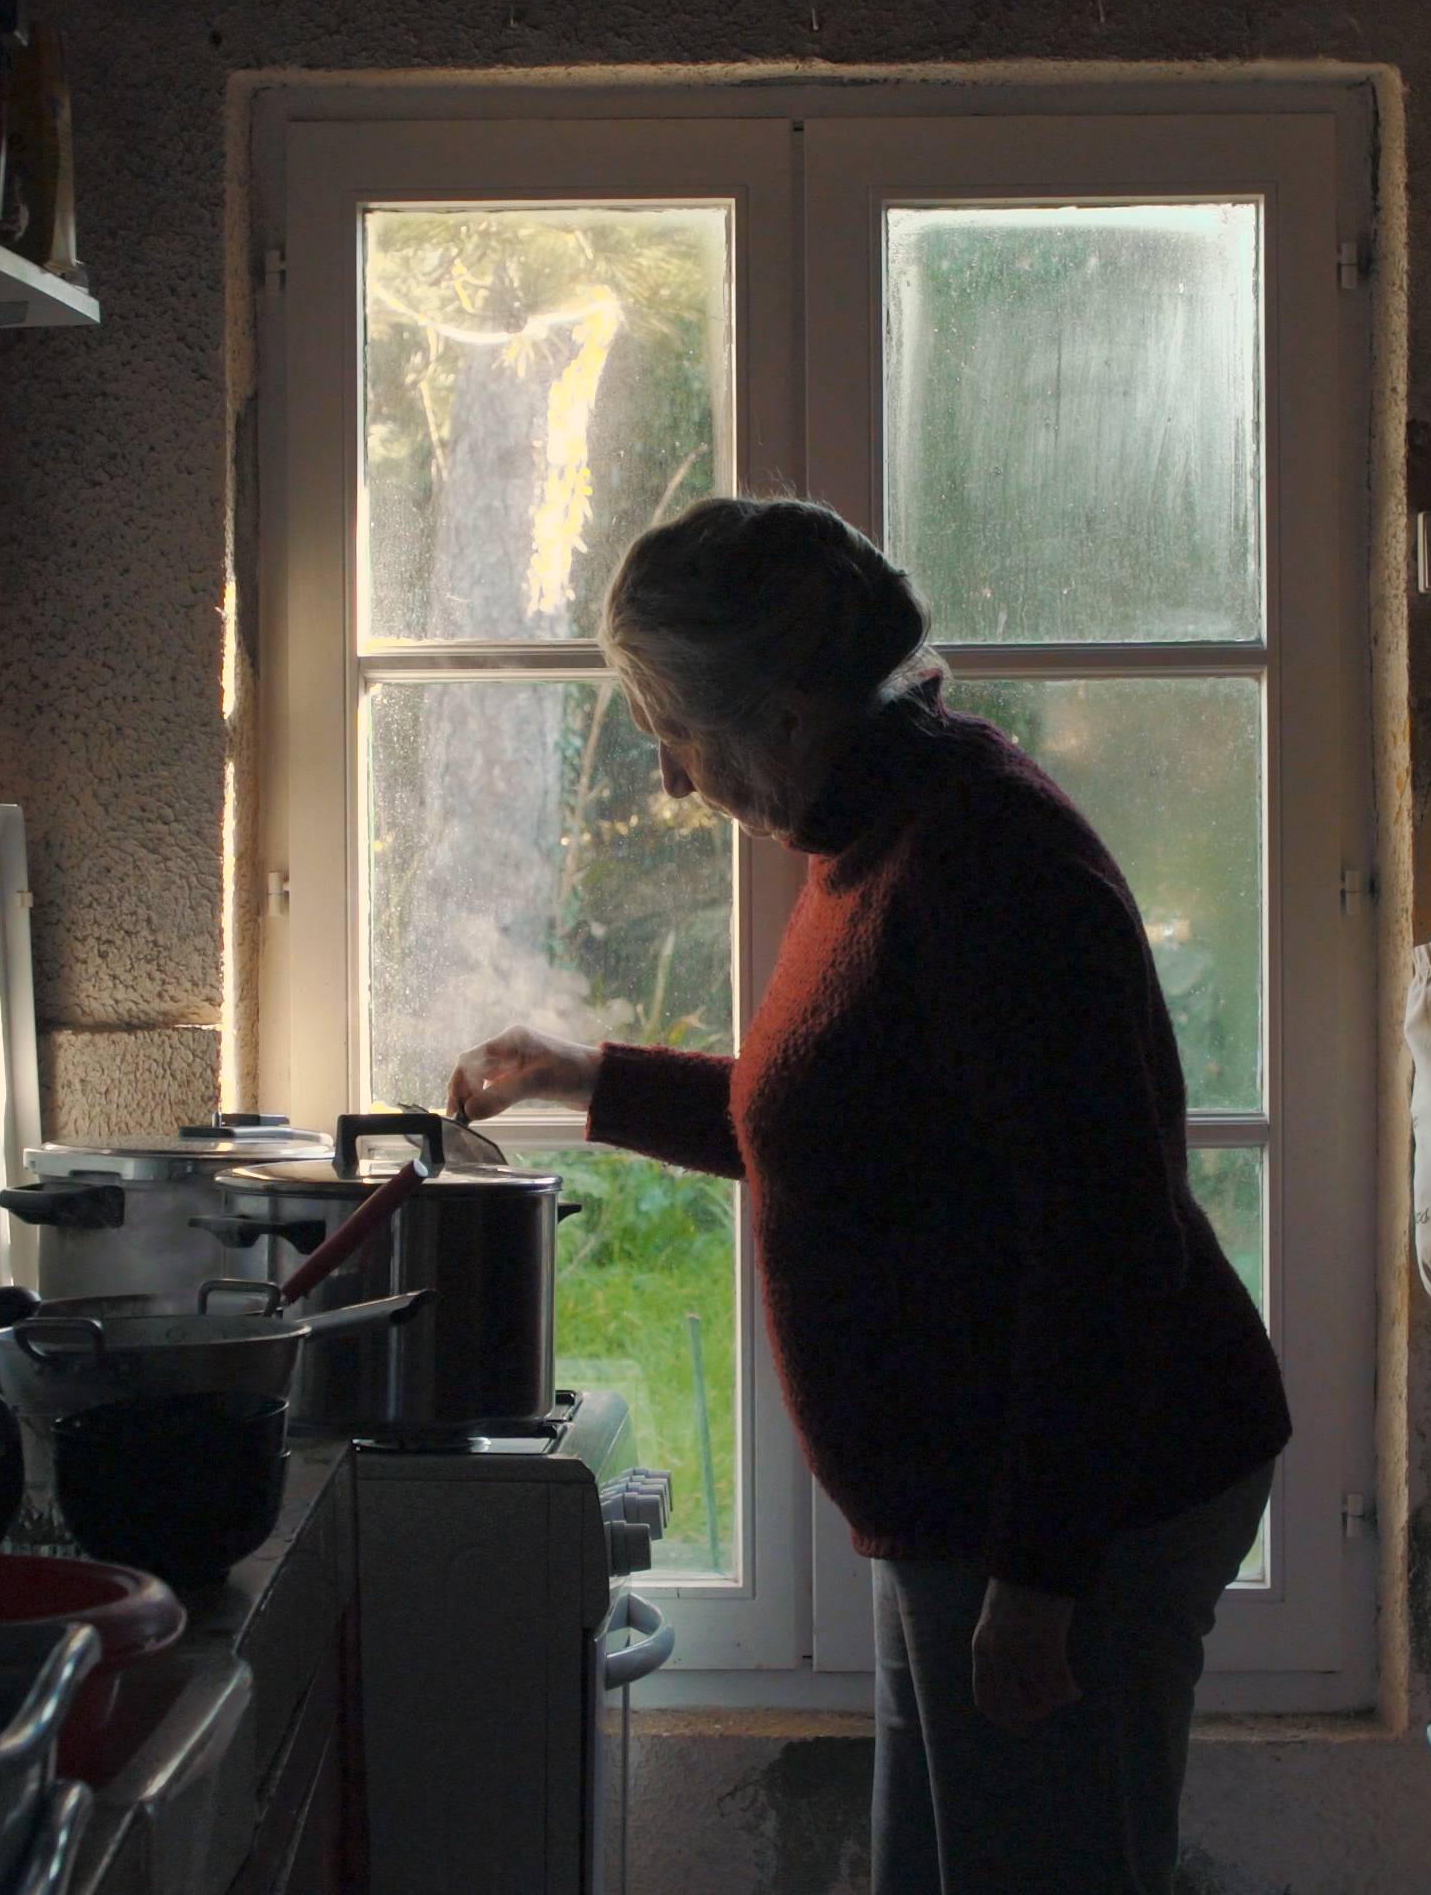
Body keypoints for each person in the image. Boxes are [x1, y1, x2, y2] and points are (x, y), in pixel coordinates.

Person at [448, 497, 1289, 1895]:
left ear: (779, 709)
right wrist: (587, 1078)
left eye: (676, 731)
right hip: (977, 1511)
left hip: (1092, 1503)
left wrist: (1041, 1575)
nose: (666, 779)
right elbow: (852, 1127)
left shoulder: (984, 865)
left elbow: (1109, 1243)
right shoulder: (875, 830)